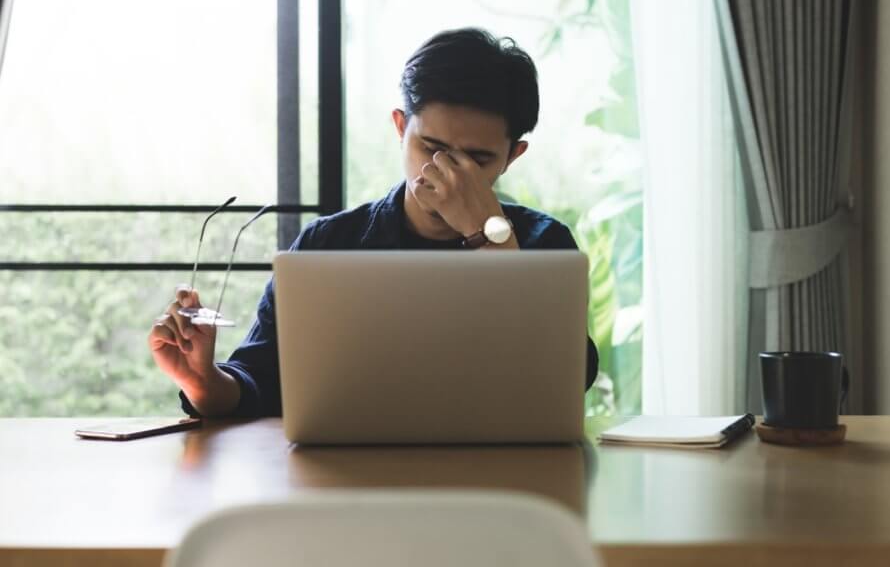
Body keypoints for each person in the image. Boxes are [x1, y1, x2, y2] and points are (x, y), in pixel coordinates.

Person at [148, 27, 600, 418]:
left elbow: (565, 378)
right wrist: (204, 382)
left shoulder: (543, 243)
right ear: (400, 127)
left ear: (512, 157)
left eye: (478, 159)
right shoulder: (329, 245)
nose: (447, 174)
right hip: (349, 486)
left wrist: (485, 234)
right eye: (430, 148)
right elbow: (260, 380)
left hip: (505, 483)